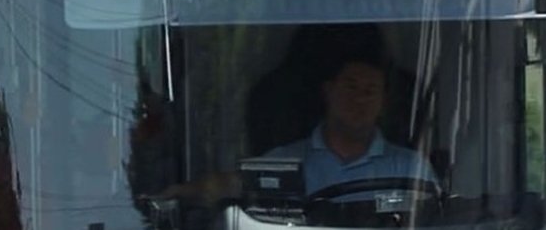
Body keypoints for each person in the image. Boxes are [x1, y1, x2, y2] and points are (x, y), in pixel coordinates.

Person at [156, 48, 438, 205]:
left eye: (370, 91)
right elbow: (230, 186)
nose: (359, 99)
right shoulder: (283, 161)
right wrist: (178, 193)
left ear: (383, 103)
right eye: (350, 87)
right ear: (328, 92)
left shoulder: (411, 169)